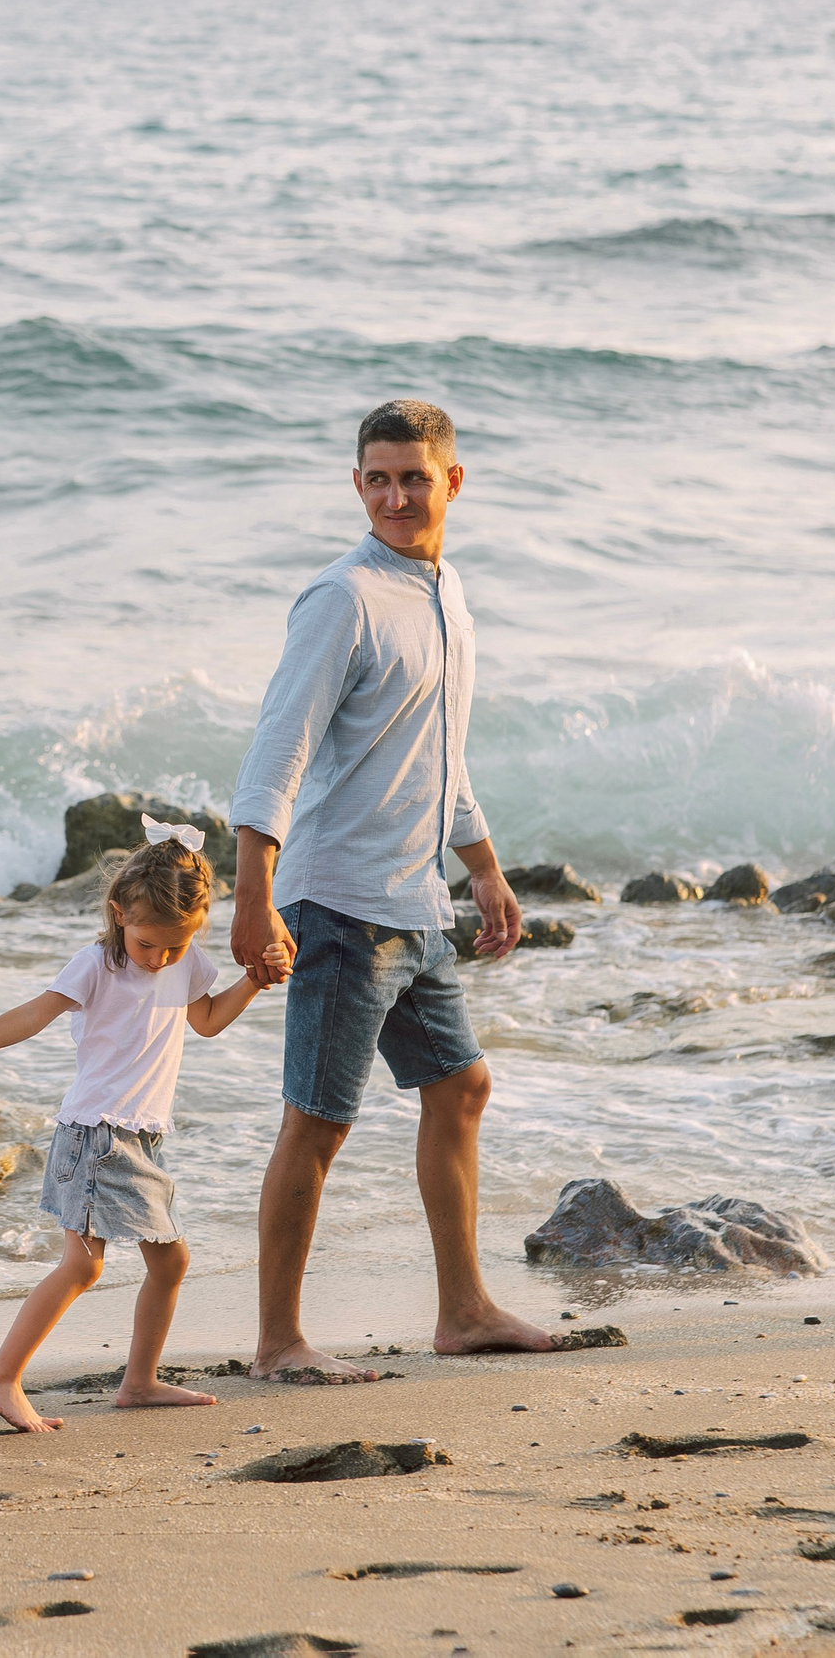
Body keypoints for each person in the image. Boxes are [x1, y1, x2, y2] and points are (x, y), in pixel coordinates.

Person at [227, 400, 557, 1380]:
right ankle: (278, 1341)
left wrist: (484, 868)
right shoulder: (343, 599)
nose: (395, 495)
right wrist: (253, 894)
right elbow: (275, 751)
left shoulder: (445, 593)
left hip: (414, 899)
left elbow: (438, 756)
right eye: (376, 477)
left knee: (459, 1089)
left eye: (413, 477)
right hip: (338, 901)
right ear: (356, 485)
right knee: (318, 1120)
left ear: (452, 482)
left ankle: (461, 1311)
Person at [0, 820, 286, 1432]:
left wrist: (253, 981)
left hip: (142, 1138)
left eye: (174, 947)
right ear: (118, 914)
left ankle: (138, 1382)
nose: (159, 957)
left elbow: (208, 1021)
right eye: (146, 945)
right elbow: (37, 1012)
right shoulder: (96, 965)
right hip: (97, 1135)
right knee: (83, 1267)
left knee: (169, 1263)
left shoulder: (186, 964)